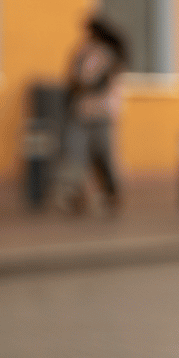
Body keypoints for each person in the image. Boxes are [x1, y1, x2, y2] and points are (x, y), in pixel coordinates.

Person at [57, 15, 127, 214]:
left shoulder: (110, 54)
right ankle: (76, 195)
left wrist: (83, 85)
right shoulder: (82, 51)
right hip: (80, 112)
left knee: (102, 155)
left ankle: (111, 192)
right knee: (75, 153)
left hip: (102, 113)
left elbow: (101, 82)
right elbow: (72, 77)